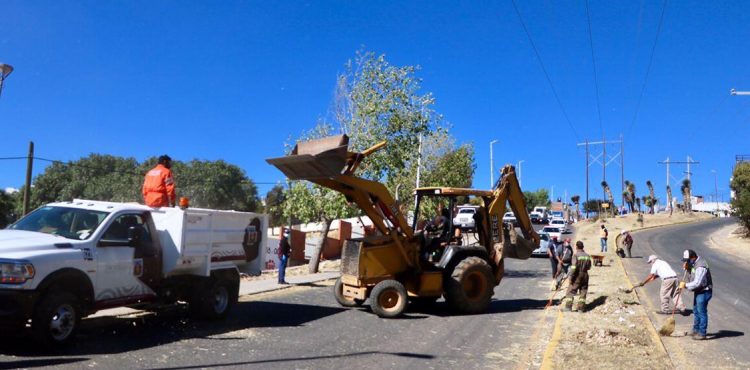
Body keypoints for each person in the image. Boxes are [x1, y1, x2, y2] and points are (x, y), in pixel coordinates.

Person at [681, 249, 713, 340]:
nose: (686, 262)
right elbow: (692, 274)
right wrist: (687, 268)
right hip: (699, 291)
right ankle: (696, 330)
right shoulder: (694, 263)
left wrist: (685, 285)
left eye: (687, 260)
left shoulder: (701, 266)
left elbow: (697, 282)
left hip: (704, 291)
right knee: (695, 311)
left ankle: (702, 333)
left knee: (701, 312)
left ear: (693, 258)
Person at [562, 241, 592, 312]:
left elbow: (573, 267)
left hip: (577, 275)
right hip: (585, 275)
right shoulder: (587, 256)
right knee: (583, 291)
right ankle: (581, 308)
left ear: (576, 247)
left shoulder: (576, 255)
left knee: (571, 291)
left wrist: (570, 277)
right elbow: (589, 267)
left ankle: (568, 307)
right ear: (583, 247)